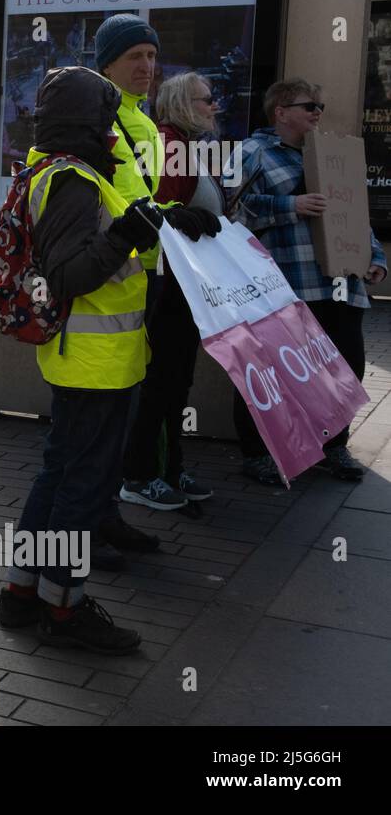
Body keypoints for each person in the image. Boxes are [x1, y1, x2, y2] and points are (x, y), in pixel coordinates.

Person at [0, 66, 157, 653]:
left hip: (86, 357)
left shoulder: (58, 170)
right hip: (95, 361)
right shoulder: (74, 179)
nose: (114, 130)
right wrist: (127, 237)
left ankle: (21, 594)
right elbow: (66, 276)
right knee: (81, 488)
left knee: (61, 473)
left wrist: (150, 222)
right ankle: (63, 609)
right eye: (107, 117)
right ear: (89, 121)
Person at [225, 78, 388, 483]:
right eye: (309, 106)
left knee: (345, 368)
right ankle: (257, 453)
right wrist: (289, 205)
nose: (317, 113)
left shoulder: (332, 153)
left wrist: (375, 260)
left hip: (339, 284)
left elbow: (353, 212)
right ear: (280, 112)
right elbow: (231, 214)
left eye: (320, 107)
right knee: (270, 372)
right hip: (284, 288)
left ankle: (334, 447)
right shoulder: (252, 153)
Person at [91, 13, 183, 564]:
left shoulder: (142, 122)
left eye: (152, 56)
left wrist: (177, 219)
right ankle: (84, 534)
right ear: (107, 63)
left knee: (119, 416)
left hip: (137, 286)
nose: (147, 66)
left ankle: (105, 515)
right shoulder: (101, 119)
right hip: (103, 289)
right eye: (134, 57)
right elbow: (118, 207)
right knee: (87, 433)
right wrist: (171, 221)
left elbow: (142, 204)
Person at [120, 73, 225, 511]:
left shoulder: (182, 143)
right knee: (164, 382)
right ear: (184, 103)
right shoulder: (170, 144)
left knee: (175, 382)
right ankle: (145, 473)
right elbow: (157, 215)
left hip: (181, 286)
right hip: (168, 287)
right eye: (206, 100)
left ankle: (168, 467)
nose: (214, 107)